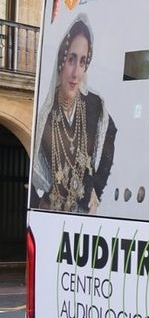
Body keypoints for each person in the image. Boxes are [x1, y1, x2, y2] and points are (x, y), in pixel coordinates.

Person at [30, 15, 117, 212]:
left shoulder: (95, 106)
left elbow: (109, 138)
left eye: (83, 61)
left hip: (83, 216)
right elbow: (34, 169)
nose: (76, 72)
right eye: (71, 59)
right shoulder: (46, 116)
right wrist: (41, 201)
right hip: (52, 214)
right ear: (61, 60)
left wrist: (95, 188)